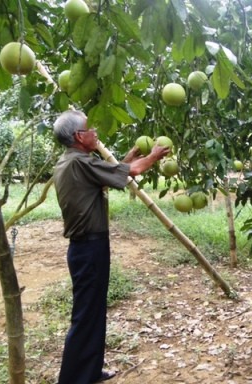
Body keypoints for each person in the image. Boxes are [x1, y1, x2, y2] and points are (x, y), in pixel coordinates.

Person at [52, 110, 170, 384]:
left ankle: (90, 371)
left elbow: (113, 177)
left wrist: (129, 158)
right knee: (85, 316)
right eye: (90, 128)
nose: (95, 132)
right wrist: (152, 156)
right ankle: (71, 379)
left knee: (93, 312)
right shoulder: (80, 162)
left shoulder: (74, 162)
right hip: (88, 249)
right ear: (79, 137)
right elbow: (136, 171)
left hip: (88, 248)